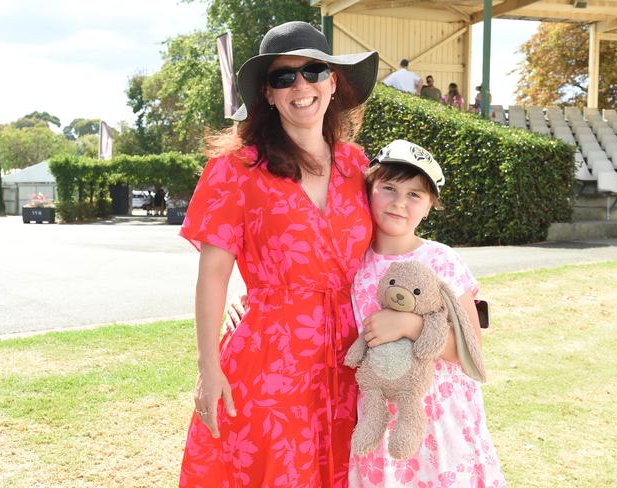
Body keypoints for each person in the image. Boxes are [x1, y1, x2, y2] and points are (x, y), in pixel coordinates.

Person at [177, 21, 379, 487]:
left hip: (353, 358)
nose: (300, 86)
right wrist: (209, 370)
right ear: (267, 95)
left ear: (333, 81)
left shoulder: (358, 165)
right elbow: (212, 278)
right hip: (271, 364)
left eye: (312, 71)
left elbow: (388, 250)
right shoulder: (236, 169)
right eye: (283, 77)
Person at [347, 139, 506, 487]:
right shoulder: (353, 264)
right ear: (369, 189)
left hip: (441, 419)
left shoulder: (441, 260)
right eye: (388, 187)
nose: (399, 202)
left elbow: (471, 349)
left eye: (414, 194)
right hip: (381, 422)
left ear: (430, 205)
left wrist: (411, 325)